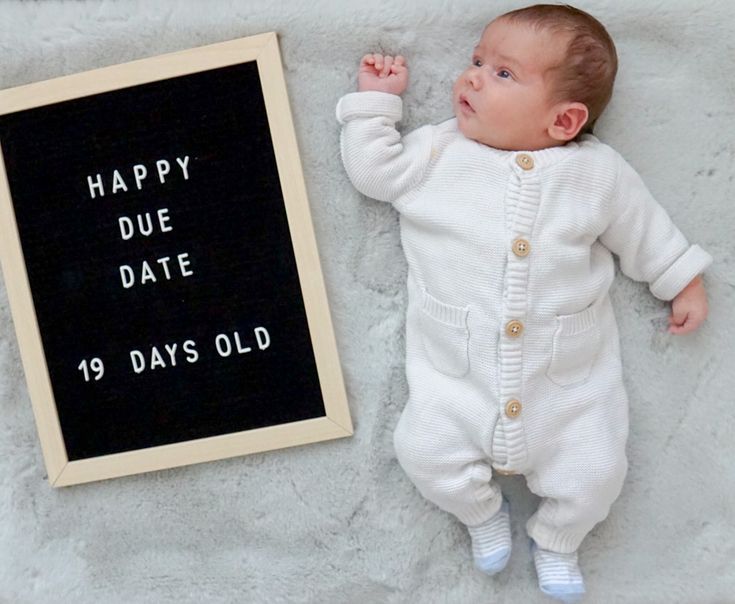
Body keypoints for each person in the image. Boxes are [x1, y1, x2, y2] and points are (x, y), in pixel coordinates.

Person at [335, 4, 712, 601]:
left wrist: (679, 279)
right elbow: (374, 172)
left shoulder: (596, 174)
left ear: (564, 120)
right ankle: (480, 514)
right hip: (455, 378)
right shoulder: (438, 152)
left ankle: (558, 539)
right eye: (477, 60)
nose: (473, 77)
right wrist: (376, 104)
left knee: (597, 474)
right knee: (422, 451)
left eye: (503, 74)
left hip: (567, 388)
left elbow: (644, 231)